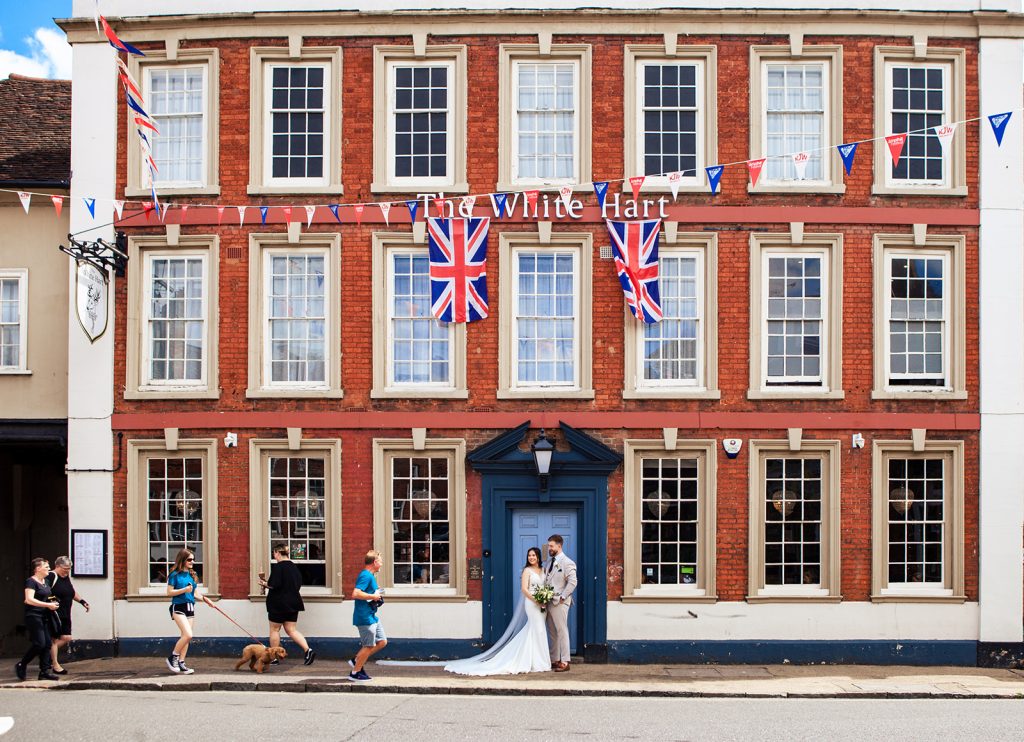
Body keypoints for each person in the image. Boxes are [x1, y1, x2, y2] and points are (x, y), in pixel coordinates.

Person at [444, 546, 551, 676]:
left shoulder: (543, 570)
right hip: (532, 603)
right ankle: (536, 662)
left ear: (538, 557)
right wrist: (536, 600)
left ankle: (538, 660)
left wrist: (545, 598)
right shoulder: (527, 571)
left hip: (542, 604)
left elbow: (546, 586)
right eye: (529, 555)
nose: (531, 557)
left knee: (538, 630)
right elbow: (524, 589)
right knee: (537, 629)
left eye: (533, 555)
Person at [259, 543, 315, 665]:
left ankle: (274, 658)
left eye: (274, 554)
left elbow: (274, 585)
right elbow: (298, 584)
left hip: (278, 603)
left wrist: (264, 584)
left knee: (274, 629)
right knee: (291, 630)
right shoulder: (294, 568)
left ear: (278, 553)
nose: (274, 556)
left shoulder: (278, 567)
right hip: (294, 602)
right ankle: (307, 650)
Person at [166, 548, 214, 675]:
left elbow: (195, 593)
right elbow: (169, 592)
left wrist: (205, 599)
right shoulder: (174, 575)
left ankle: (181, 662)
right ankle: (173, 657)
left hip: (190, 607)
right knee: (188, 634)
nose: (192, 562)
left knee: (185, 637)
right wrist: (184, 590)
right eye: (189, 559)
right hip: (178, 607)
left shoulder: (192, 575)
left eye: (193, 559)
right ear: (182, 560)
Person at [15, 557, 60, 681]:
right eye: (46, 567)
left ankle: (44, 672)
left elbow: (48, 596)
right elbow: (28, 599)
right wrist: (47, 605)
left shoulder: (46, 582)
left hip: (44, 616)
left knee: (47, 644)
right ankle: (21, 664)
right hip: (34, 616)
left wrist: (53, 602)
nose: (49, 569)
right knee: (39, 643)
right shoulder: (31, 581)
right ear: (38, 568)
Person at [348, 550, 387, 682]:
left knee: (382, 642)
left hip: (371, 615)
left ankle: (356, 660)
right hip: (364, 616)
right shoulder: (365, 575)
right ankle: (355, 672)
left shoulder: (370, 576)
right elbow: (356, 593)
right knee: (368, 645)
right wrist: (373, 596)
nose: (381, 564)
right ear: (375, 562)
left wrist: (376, 596)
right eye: (380, 562)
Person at [47, 556, 89, 674]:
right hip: (55, 613)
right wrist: (52, 601)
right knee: (54, 639)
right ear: (58, 566)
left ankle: (46, 653)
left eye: (69, 569)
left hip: (66, 612)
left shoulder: (66, 577)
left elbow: (71, 592)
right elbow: (45, 591)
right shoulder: (51, 576)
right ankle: (55, 664)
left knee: (66, 638)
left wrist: (82, 601)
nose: (67, 571)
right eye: (65, 568)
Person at [544, 534, 577, 672]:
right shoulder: (548, 562)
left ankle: (565, 661)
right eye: (549, 546)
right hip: (549, 602)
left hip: (560, 602)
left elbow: (573, 582)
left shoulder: (567, 562)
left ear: (559, 546)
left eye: (551, 546)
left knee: (562, 631)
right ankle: (555, 659)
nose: (549, 548)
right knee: (552, 632)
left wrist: (563, 597)